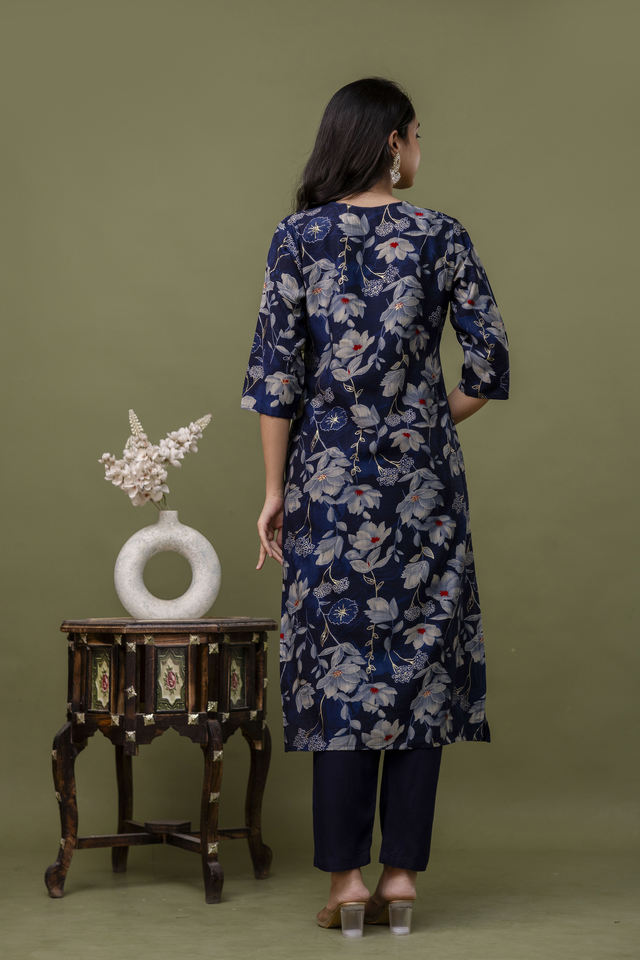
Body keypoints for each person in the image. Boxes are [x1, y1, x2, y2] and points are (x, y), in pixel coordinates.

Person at [239, 77, 510, 937]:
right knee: (422, 673)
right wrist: (422, 422)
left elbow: (276, 381)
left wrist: (275, 494)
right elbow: (489, 367)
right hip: (425, 491)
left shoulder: (297, 238)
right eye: (417, 133)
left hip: (328, 487)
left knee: (338, 675)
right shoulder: (442, 236)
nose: (422, 148)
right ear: (392, 142)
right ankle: (401, 877)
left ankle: (346, 883)